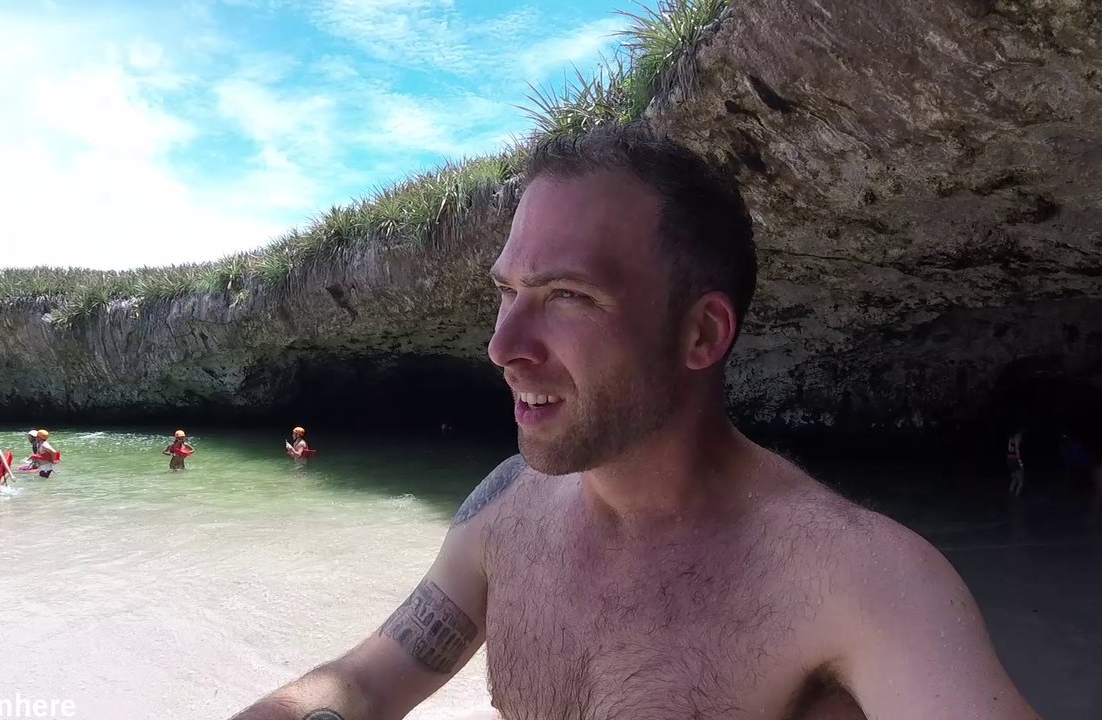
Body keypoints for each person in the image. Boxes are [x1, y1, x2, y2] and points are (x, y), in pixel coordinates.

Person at [228, 123, 1041, 720]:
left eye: (568, 296)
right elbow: (364, 687)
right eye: (507, 292)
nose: (502, 347)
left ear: (702, 334)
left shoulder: (862, 583)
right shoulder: (504, 512)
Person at [1007, 428, 1026, 496]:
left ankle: (1010, 494)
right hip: (1014, 461)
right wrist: (1020, 463)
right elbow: (1017, 450)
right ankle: (1016, 496)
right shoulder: (1017, 438)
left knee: (1014, 479)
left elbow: (1010, 450)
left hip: (1009, 460)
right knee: (1021, 482)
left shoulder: (1011, 438)